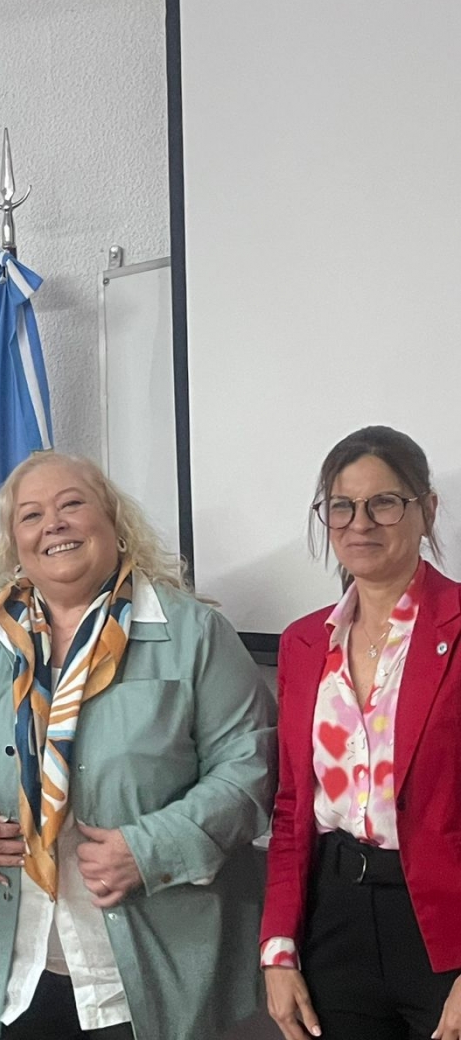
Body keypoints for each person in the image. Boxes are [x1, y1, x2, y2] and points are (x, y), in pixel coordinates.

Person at [0, 451, 275, 1040]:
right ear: (14, 540)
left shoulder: (192, 633)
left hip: (145, 975)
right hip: (2, 972)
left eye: (71, 504)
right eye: (30, 515)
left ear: (112, 519)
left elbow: (250, 769)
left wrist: (151, 847)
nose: (52, 524)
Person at [262, 426, 461, 1040]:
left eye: (384, 502)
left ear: (425, 509)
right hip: (335, 916)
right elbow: (294, 806)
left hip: (444, 924)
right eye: (341, 507)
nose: (359, 523)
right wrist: (279, 947)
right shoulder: (303, 643)